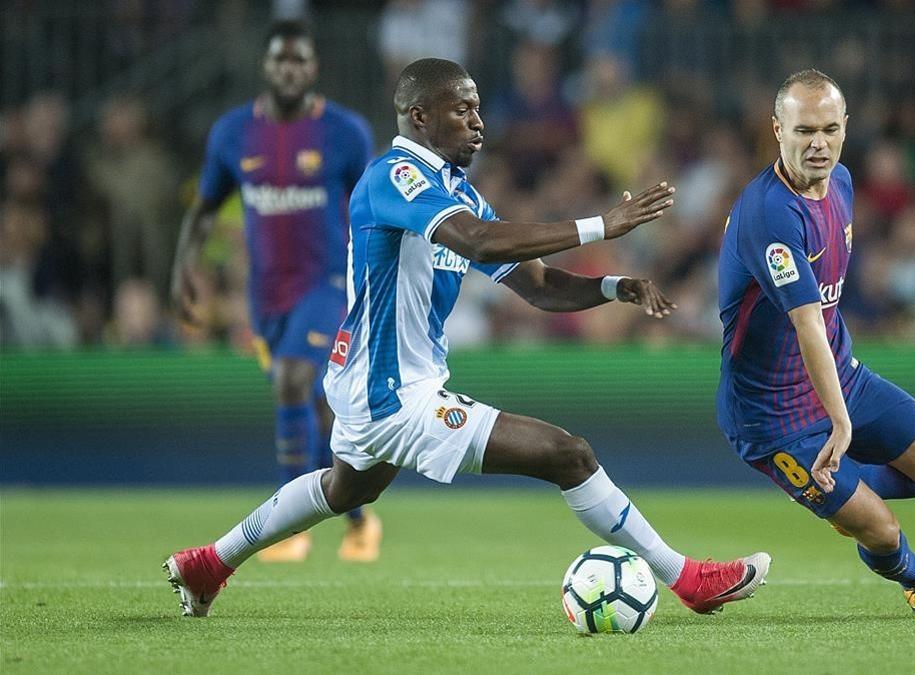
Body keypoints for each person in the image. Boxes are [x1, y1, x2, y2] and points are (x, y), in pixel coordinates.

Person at [164, 57, 770, 618]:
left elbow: (537, 287)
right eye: (463, 110)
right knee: (570, 454)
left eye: (479, 109)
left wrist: (613, 287)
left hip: (379, 378)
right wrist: (599, 225)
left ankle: (208, 564)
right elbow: (479, 242)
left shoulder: (457, 193)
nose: (479, 124)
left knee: (347, 485)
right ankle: (686, 578)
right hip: (392, 391)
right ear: (420, 115)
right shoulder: (395, 177)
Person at [716, 69, 915, 620]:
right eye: (805, 129)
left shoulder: (843, 183)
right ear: (777, 128)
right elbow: (809, 322)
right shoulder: (769, 212)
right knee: (881, 530)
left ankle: (841, 495)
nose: (819, 143)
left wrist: (841, 411)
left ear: (845, 128)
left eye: (830, 129)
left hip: (843, 375)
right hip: (773, 414)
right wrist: (841, 423)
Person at [170, 20, 381, 563]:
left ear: (314, 68)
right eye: (279, 61)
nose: (289, 70)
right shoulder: (232, 133)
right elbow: (204, 209)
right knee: (315, 405)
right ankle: (359, 517)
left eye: (299, 61)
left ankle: (288, 528)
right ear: (266, 67)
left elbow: (377, 208)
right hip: (266, 297)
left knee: (292, 382)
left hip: (329, 285)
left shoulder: (345, 132)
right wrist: (182, 272)